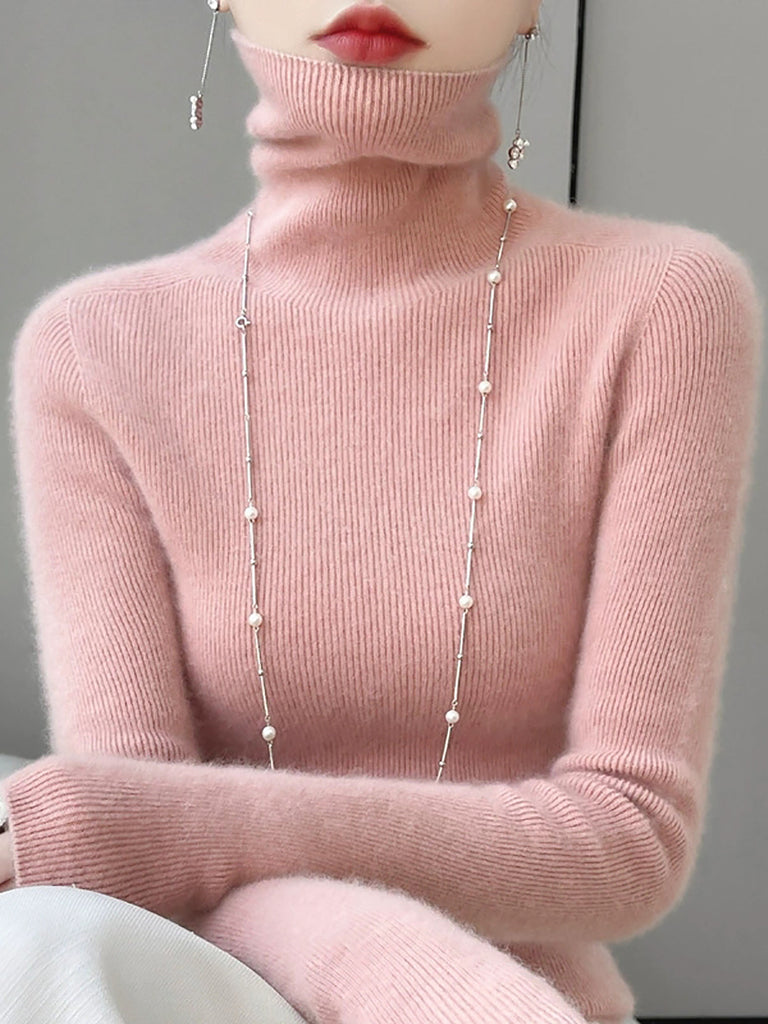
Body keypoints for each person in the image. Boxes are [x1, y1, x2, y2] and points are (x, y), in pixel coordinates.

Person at [0, 0, 762, 1021]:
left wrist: (152, 829)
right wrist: (406, 974)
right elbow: (138, 860)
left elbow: (630, 840)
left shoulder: (661, 305)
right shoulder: (94, 348)